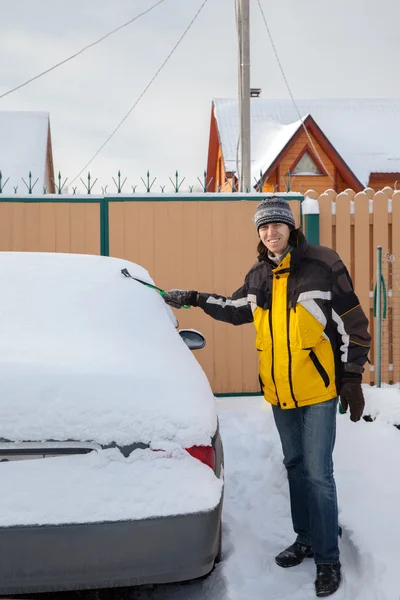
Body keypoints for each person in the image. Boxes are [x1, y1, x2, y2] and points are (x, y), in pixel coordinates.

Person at [162, 196, 371, 598]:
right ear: (258, 233)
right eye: (263, 227)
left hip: (319, 390)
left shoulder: (324, 265)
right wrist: (195, 297)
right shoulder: (259, 275)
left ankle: (328, 559)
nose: (270, 232)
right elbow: (235, 307)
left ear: (291, 228)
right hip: (279, 392)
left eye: (277, 225)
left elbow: (354, 324)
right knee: (294, 465)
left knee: (318, 473)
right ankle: (306, 538)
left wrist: (352, 378)